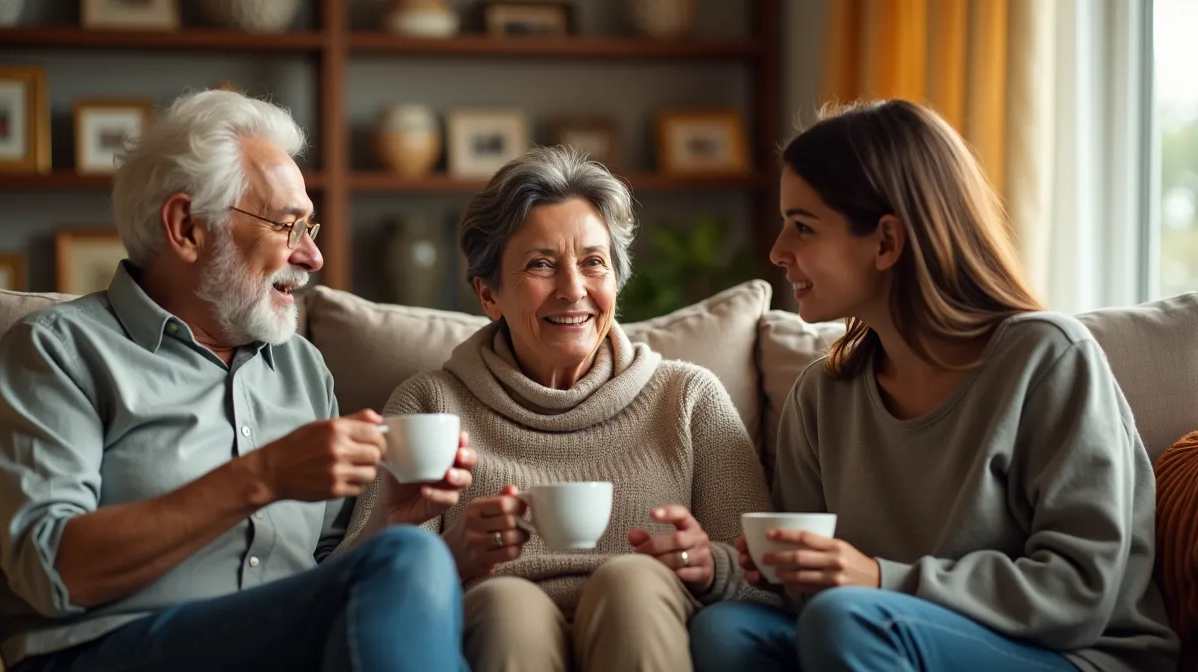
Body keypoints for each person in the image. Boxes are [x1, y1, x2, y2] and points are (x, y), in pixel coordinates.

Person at [0, 89, 476, 672]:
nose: (312, 256)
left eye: (311, 228)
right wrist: (263, 476)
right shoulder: (60, 351)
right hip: (102, 650)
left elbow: (324, 588)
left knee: (406, 551)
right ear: (187, 227)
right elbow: (49, 570)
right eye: (289, 227)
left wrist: (388, 523)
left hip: (274, 650)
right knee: (407, 560)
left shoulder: (301, 368)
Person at [687, 99, 1180, 671]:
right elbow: (807, 595)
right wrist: (739, 567)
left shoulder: (1046, 359)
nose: (778, 251)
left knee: (845, 619)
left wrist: (878, 579)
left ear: (886, 242)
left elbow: (1079, 590)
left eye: (802, 226)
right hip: (881, 634)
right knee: (726, 630)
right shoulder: (822, 396)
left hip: (1074, 655)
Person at [341, 145, 782, 672]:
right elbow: (357, 586)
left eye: (594, 263)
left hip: (650, 620)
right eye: (541, 265)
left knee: (632, 580)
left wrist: (709, 565)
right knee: (508, 602)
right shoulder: (429, 404)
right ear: (488, 294)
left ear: (615, 280)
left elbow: (768, 581)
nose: (574, 290)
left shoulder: (687, 398)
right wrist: (452, 556)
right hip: (497, 628)